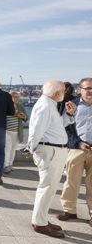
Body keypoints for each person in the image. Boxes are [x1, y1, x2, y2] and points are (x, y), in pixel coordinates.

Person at [25, 80, 76, 238]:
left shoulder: (49, 104)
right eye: (63, 91)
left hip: (54, 150)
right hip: (50, 151)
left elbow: (58, 126)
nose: (64, 93)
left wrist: (69, 115)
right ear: (56, 93)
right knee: (47, 187)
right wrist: (30, 148)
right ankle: (39, 223)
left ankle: (41, 219)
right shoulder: (46, 106)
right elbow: (36, 130)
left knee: (50, 188)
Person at [57, 78, 92, 228]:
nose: (91, 91)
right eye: (88, 88)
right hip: (77, 149)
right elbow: (66, 128)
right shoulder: (73, 105)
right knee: (71, 181)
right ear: (80, 89)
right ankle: (69, 210)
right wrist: (78, 142)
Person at [4, 90, 28, 173]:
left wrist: (22, 116)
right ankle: (5, 165)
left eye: (18, 97)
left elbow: (26, 119)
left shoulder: (20, 106)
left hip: (16, 131)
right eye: (15, 97)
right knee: (7, 148)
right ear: (10, 97)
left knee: (13, 149)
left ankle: (10, 164)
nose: (17, 98)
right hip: (6, 130)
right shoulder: (6, 106)